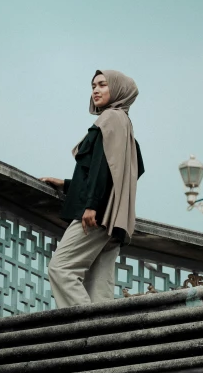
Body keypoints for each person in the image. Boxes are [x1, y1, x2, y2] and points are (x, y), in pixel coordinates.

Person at [41, 69, 144, 308]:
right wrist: (67, 184)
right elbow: (118, 172)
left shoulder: (111, 119)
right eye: (93, 86)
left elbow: (103, 167)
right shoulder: (126, 126)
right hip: (114, 218)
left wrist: (92, 205)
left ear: (118, 89)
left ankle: (83, 332)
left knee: (61, 268)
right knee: (99, 288)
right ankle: (103, 340)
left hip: (96, 216)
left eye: (103, 85)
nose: (96, 90)